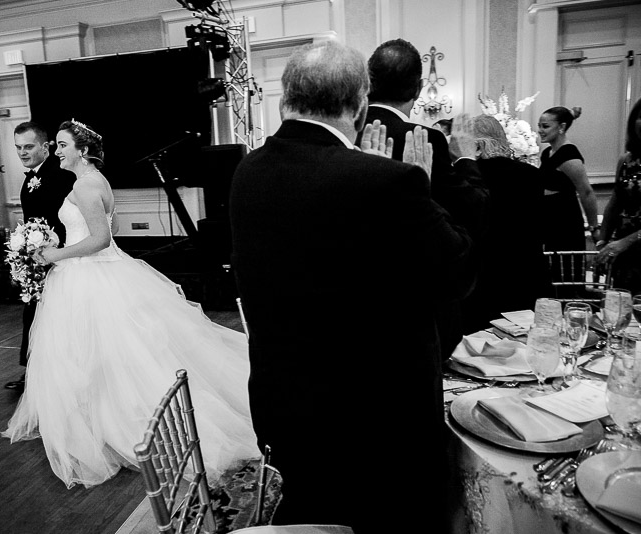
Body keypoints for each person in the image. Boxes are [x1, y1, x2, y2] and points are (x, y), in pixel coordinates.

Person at [230, 40, 487, 533]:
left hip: (284, 403)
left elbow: (332, 261)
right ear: (359, 103)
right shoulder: (388, 182)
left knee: (316, 507)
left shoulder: (247, 172)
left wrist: (385, 177)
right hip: (377, 421)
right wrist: (418, 185)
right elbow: (459, 274)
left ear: (287, 99)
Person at [3, 119, 258, 489]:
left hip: (88, 275)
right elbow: (113, 225)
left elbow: (101, 239)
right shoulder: (95, 183)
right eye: (56, 145)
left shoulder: (87, 185)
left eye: (62, 145)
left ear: (82, 150)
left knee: (100, 352)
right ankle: (102, 419)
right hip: (101, 272)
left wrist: (54, 254)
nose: (56, 151)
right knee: (110, 352)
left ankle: (114, 425)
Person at [356, 37, 488, 360]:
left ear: (368, 83)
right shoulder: (425, 139)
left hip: (359, 297)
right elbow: (472, 211)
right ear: (416, 90)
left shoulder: (347, 135)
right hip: (418, 300)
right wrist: (466, 159)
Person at [4, 122, 76, 391]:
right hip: (37, 258)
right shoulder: (31, 177)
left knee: (49, 314)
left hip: (58, 257)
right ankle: (34, 369)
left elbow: (67, 219)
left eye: (28, 146)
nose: (22, 152)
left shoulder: (61, 175)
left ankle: (46, 371)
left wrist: (49, 249)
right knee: (34, 313)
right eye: (18, 148)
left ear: (46, 147)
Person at [461, 114, 550, 331]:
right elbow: (541, 225)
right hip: (526, 272)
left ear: (477, 146)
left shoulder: (466, 178)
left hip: (482, 278)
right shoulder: (531, 174)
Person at [537, 106, 600, 251]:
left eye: (545, 126)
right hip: (550, 219)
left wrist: (593, 227)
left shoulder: (569, 154)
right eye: (539, 126)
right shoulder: (547, 153)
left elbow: (586, 192)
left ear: (562, 127)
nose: (540, 130)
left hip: (564, 220)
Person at [595, 97, 641, 294]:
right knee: (620, 308)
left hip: (631, 244)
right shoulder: (626, 161)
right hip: (624, 251)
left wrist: (625, 242)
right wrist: (602, 243)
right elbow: (614, 204)